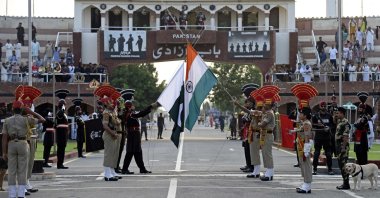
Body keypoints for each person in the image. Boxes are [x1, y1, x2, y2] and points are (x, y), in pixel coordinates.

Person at [2, 100, 45, 198]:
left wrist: (4, 152)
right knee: (23, 169)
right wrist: (31, 112)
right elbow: (42, 120)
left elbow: (4, 137)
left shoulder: (7, 120)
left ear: (12, 109)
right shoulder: (27, 119)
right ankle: (21, 193)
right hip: (23, 144)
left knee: (12, 170)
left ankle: (12, 194)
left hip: (11, 144)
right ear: (22, 109)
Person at [121, 90, 158, 175]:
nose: (133, 106)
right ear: (129, 106)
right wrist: (150, 107)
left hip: (134, 134)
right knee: (131, 152)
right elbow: (141, 114)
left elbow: (139, 114)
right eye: (132, 105)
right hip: (132, 134)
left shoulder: (130, 113)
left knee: (137, 152)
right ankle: (125, 169)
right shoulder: (129, 114)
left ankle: (142, 168)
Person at [15, 85, 43, 194]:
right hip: (24, 141)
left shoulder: (29, 117)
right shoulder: (22, 117)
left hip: (32, 139)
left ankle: (27, 182)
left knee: (30, 163)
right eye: (26, 104)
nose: (29, 105)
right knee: (23, 164)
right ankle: (22, 186)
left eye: (30, 104)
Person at [94, 85, 123, 181]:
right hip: (109, 134)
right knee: (108, 154)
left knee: (114, 154)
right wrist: (113, 133)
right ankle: (107, 174)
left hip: (114, 134)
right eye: (110, 102)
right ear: (106, 104)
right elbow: (105, 126)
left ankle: (111, 171)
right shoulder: (106, 112)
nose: (113, 103)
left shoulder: (112, 112)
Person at [311, 101, 334, 175]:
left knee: (328, 154)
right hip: (318, 136)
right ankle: (314, 169)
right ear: (319, 106)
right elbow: (312, 126)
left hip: (327, 137)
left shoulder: (329, 116)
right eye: (322, 106)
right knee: (316, 153)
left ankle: (330, 169)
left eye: (324, 106)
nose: (323, 107)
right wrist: (318, 125)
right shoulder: (315, 116)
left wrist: (328, 127)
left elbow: (332, 125)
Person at [335, 107, 351, 190]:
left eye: (338, 113)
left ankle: (346, 184)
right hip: (339, 145)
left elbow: (345, 136)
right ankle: (345, 183)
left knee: (344, 165)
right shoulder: (340, 122)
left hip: (342, 146)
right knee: (341, 165)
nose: (337, 114)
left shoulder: (345, 123)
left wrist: (343, 148)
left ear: (342, 113)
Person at [54, 89, 70, 169]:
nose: (66, 106)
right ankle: (59, 164)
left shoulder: (63, 113)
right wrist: (63, 107)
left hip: (64, 133)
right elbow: (60, 115)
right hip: (61, 133)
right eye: (64, 105)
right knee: (60, 149)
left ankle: (61, 163)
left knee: (62, 149)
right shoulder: (59, 112)